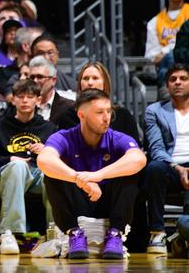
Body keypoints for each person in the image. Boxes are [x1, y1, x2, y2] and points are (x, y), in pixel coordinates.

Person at [38, 89, 147, 260]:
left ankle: (115, 234)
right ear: (81, 115)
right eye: (99, 112)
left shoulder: (117, 138)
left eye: (109, 111)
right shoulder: (64, 137)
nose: (106, 118)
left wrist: (98, 175)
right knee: (52, 173)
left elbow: (139, 159)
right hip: (79, 200)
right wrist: (80, 179)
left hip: (109, 201)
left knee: (131, 170)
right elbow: (44, 160)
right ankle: (74, 233)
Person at [0, 79, 57, 255]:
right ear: (13, 99)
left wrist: (46, 151)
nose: (25, 100)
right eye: (20, 96)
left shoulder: (48, 128)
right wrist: (10, 158)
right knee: (18, 166)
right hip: (7, 174)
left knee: (53, 173)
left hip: (38, 174)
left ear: (38, 100)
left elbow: (59, 160)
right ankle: (9, 232)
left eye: (30, 96)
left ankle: (55, 231)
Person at [143, 63, 189, 254]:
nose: (178, 82)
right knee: (153, 168)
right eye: (173, 79)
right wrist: (179, 168)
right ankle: (158, 232)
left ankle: (184, 233)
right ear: (167, 85)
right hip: (170, 165)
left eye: (183, 79)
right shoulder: (155, 111)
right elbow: (156, 149)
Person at [146, 0, 189, 82]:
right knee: (168, 63)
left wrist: (165, 50)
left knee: (170, 56)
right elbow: (152, 57)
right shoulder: (154, 22)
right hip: (166, 68)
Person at [28, 56, 74, 127]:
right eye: (32, 77)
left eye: (40, 77)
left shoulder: (68, 107)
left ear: (53, 80)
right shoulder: (22, 106)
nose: (35, 81)